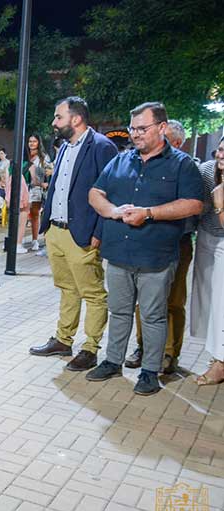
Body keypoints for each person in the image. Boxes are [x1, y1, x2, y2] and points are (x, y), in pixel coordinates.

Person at [87, 102, 203, 395]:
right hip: (118, 254)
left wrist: (149, 213)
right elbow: (95, 193)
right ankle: (113, 361)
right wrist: (113, 211)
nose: (135, 134)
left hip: (156, 255)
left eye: (142, 128)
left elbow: (192, 204)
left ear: (162, 128)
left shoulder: (182, 164)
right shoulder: (120, 160)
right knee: (119, 311)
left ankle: (150, 371)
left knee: (153, 315)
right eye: (133, 129)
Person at [29, 97, 117, 371]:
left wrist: (99, 231)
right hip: (56, 230)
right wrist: (46, 227)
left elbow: (110, 192)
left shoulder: (102, 146)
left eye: (58, 117)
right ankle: (63, 340)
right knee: (67, 289)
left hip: (82, 233)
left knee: (92, 293)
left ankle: (90, 348)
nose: (54, 123)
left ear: (76, 119)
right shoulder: (65, 147)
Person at [126, 120, 194, 373]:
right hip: (147, 242)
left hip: (177, 243)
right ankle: (143, 347)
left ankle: (168, 354)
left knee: (172, 301)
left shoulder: (187, 168)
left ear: (175, 143)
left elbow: (194, 208)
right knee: (144, 301)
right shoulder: (143, 167)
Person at [191, 137, 224, 385]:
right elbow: (196, 207)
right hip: (206, 235)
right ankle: (214, 354)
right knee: (205, 298)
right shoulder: (206, 170)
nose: (221, 156)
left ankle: (220, 363)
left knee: (221, 303)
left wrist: (220, 204)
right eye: (220, 149)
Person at [25, 134, 50, 251]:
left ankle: (35, 240)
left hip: (37, 189)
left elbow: (48, 171)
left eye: (34, 141)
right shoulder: (25, 156)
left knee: (35, 214)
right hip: (24, 187)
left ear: (39, 143)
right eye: (30, 141)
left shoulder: (43, 157)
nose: (32, 143)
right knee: (24, 214)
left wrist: (44, 182)